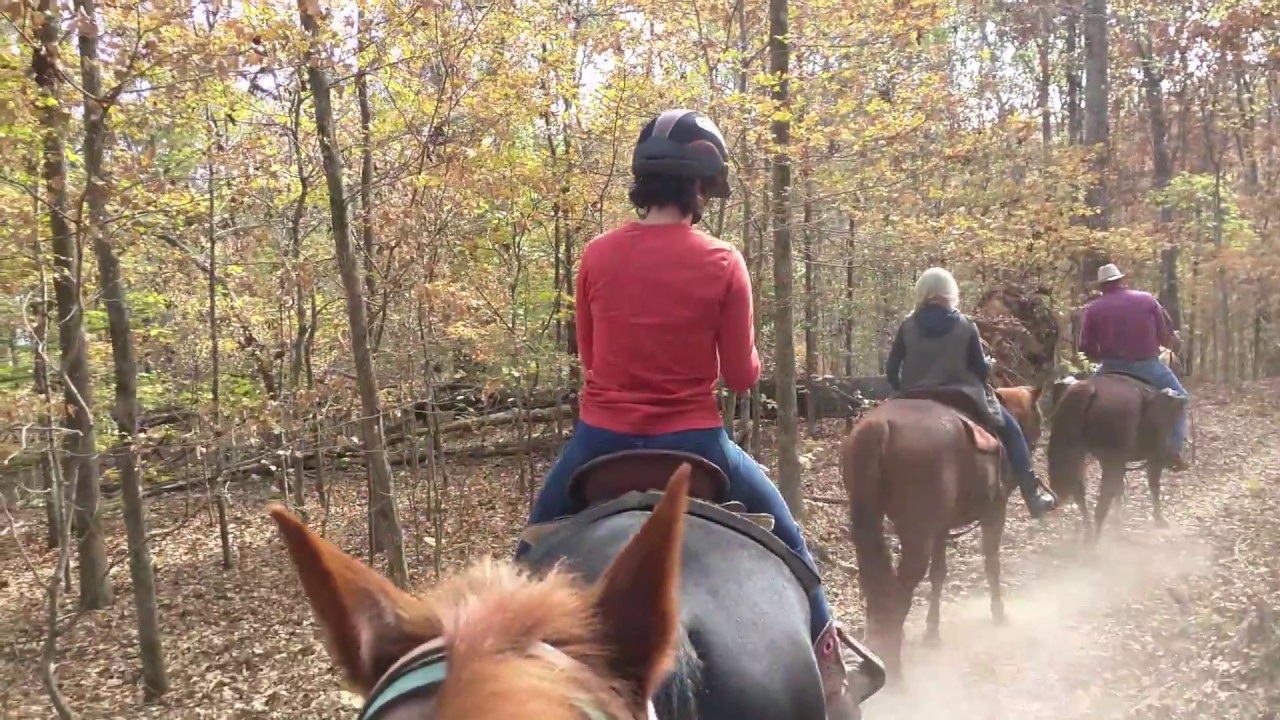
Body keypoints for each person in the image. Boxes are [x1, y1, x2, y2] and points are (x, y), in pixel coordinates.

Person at [514, 109, 858, 712]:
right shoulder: (724, 262)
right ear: (700, 187)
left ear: (645, 182)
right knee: (796, 548)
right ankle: (829, 664)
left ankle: (504, 653)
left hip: (599, 443)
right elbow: (742, 376)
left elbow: (591, 359)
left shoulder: (595, 254)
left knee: (523, 556)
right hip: (697, 444)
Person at [885, 267, 1058, 519]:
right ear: (950, 293)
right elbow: (980, 369)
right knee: (1012, 430)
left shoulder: (907, 325)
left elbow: (891, 369)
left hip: (914, 395)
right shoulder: (965, 325)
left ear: (923, 292)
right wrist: (989, 364)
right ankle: (1032, 493)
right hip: (962, 395)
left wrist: (903, 388)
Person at [1078, 263, 1189, 470]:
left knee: (1081, 399)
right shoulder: (1146, 300)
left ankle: (1078, 446)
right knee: (1181, 397)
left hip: (1109, 367)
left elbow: (1085, 346)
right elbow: (1166, 334)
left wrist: (1098, 356)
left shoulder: (1094, 309)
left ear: (1102, 286)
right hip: (1146, 365)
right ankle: (1173, 450)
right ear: (1121, 281)